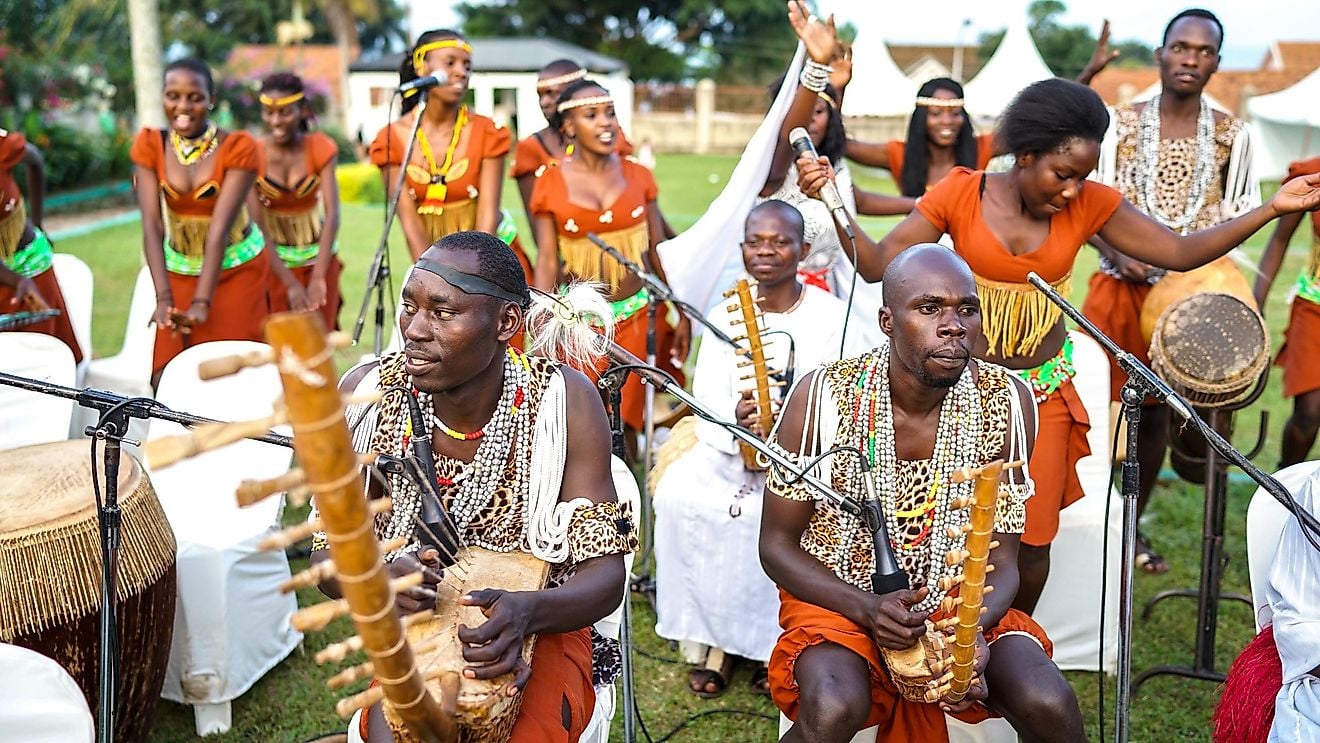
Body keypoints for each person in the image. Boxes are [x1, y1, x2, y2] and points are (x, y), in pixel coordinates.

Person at [795, 77, 1320, 614]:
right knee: (950, 537)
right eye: (1062, 174)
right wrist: (833, 200)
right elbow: (880, 266)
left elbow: (1180, 252)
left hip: (1043, 395)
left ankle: (1004, 649)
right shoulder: (960, 191)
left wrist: (1273, 209)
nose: (1071, 191)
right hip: (961, 396)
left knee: (1032, 542)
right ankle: (941, 652)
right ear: (1025, 155)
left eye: (1082, 178)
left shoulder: (1090, 203)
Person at [318, 231, 636, 742]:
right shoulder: (370, 397)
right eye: (409, 307)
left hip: (546, 623)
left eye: (443, 313)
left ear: (506, 323)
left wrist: (528, 613)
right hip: (422, 638)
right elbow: (324, 561)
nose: (415, 330)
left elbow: (604, 577)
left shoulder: (562, 403)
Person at [762, 245, 1084, 742]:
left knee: (1049, 701)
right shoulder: (824, 396)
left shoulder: (1007, 400)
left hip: (961, 601)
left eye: (967, 309)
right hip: (841, 598)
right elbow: (777, 546)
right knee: (833, 706)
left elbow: (1004, 556)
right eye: (930, 308)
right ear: (888, 321)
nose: (954, 325)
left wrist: (968, 631)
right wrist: (868, 609)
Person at [652, 201, 873, 699]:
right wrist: (735, 423)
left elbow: (855, 395)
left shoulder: (833, 317)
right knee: (682, 499)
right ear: (742, 250)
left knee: (784, 523)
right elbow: (704, 397)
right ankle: (716, 642)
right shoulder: (723, 314)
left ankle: (770, 643)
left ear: (803, 250)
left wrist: (802, 432)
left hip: (813, 460)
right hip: (732, 453)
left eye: (780, 242)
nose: (767, 252)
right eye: (756, 242)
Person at [1078, 9, 1260, 573]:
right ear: (1160, 53)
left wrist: (1190, 268)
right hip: (1118, 287)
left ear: (1216, 63)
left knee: (1156, 415)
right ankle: (1087, 527)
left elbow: (1240, 214)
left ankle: (1130, 531)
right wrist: (1118, 254)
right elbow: (1088, 202)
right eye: (1180, 47)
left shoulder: (1232, 134)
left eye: (1203, 51)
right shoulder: (1121, 123)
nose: (1190, 59)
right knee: (1094, 405)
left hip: (1190, 296)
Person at [529, 78, 691, 436]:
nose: (606, 122)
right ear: (569, 126)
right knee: (581, 421)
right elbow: (547, 261)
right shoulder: (549, 181)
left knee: (628, 424)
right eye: (592, 115)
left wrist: (678, 309)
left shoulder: (639, 175)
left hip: (637, 317)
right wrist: (541, 323)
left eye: (610, 113)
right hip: (579, 324)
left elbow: (654, 252)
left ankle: (629, 484)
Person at [756, 4, 911, 327]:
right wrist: (816, 66)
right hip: (775, 306)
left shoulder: (833, 167)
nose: (812, 120)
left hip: (828, 298)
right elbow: (792, 134)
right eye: (805, 112)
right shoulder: (775, 168)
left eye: (820, 113)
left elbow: (856, 199)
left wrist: (923, 204)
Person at [131, 58, 269, 381]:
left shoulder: (238, 147)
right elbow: (152, 225)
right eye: (173, 95)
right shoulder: (150, 145)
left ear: (211, 99)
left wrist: (202, 302)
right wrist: (164, 298)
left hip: (235, 270)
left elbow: (220, 228)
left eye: (194, 97)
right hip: (179, 269)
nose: (183, 106)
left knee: (234, 373)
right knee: (165, 375)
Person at [369, 29, 532, 280]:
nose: (461, 72)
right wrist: (437, 281)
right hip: (434, 267)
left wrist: (470, 283)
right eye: (450, 63)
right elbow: (411, 226)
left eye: (467, 66)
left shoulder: (487, 132)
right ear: (422, 67)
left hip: (491, 263)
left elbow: (486, 221)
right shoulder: (390, 139)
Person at [249, 72, 343, 329]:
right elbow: (257, 228)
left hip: (318, 260)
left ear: (302, 110)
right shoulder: (251, 154)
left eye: (285, 112)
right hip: (272, 263)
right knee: (276, 344)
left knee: (319, 341)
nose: (276, 121)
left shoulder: (321, 148)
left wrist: (319, 278)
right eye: (268, 112)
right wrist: (290, 284)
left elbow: (332, 214)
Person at [511, 60, 634, 227]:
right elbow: (537, 227)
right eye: (540, 95)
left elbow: (638, 200)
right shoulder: (531, 149)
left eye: (552, 94)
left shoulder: (610, 137)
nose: (544, 102)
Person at [1255, 156, 1320, 468]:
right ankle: (1285, 490)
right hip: (1315, 307)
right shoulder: (1312, 173)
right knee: (1309, 412)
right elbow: (1279, 240)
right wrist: (1256, 303)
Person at [0, 127, 82, 361]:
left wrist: (38, 223)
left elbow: (34, 160)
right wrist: (16, 279)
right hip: (9, 279)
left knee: (52, 360)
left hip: (33, 265)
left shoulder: (3, 146)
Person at [843, 78, 998, 198]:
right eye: (936, 114)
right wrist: (839, 88)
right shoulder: (899, 154)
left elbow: (1021, 131)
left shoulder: (980, 148)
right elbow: (843, 145)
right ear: (921, 118)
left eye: (955, 113)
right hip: (917, 239)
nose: (947, 121)